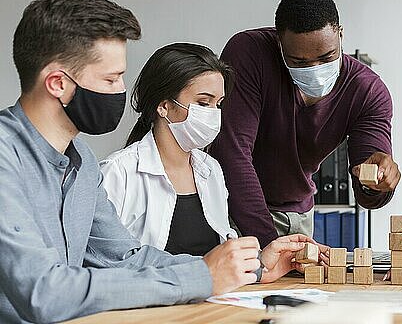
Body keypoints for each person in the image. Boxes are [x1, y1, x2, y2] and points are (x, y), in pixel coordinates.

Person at [1, 0, 267, 324]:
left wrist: (246, 267)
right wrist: (200, 277)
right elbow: (44, 292)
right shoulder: (4, 156)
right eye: (111, 79)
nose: (121, 91)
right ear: (58, 83)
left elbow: (125, 258)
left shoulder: (80, 160)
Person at [100, 42, 327, 282]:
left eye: (218, 104)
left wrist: (263, 262)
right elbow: (111, 263)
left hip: (211, 304)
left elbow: (221, 257)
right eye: (203, 102)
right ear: (164, 106)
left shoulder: (211, 171)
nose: (213, 113)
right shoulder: (118, 173)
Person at [210, 0, 401, 247]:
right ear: (279, 44)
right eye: (299, 62)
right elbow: (232, 154)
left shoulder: (367, 91)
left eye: (326, 57)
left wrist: (377, 182)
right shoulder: (249, 52)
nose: (315, 70)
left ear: (340, 35)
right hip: (232, 211)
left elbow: (368, 189)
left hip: (297, 218)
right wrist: (269, 244)